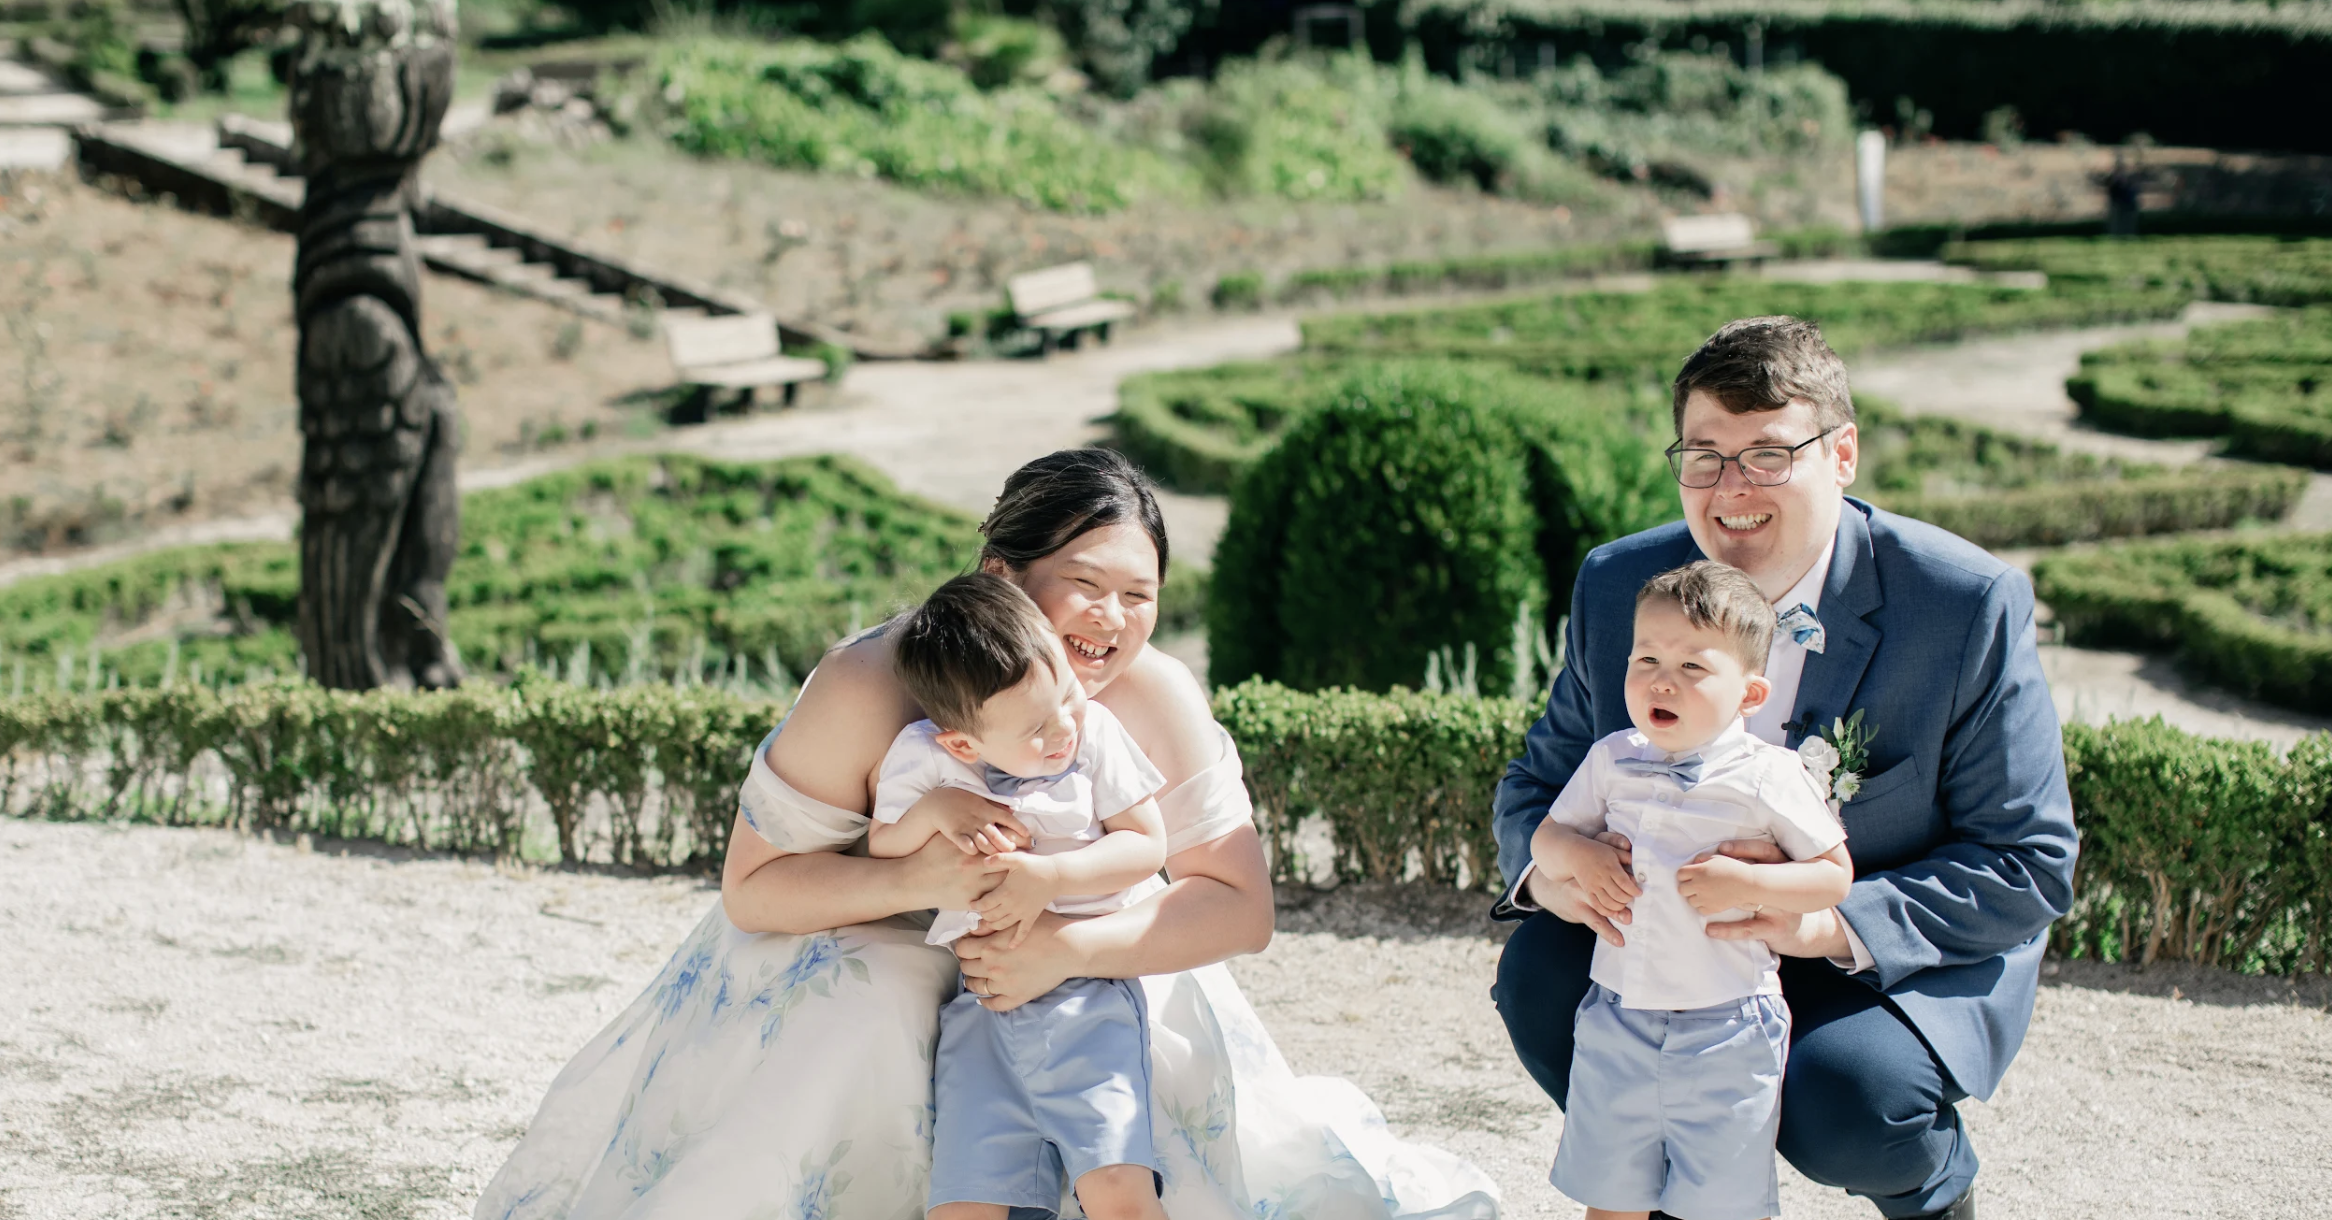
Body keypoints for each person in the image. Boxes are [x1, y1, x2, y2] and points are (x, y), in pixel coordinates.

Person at [476, 448, 1498, 1220]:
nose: (1111, 618)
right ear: (1002, 576)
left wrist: (1066, 937)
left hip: (1089, 935)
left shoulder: (1148, 695)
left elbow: (1238, 905)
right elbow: (756, 888)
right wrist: (918, 870)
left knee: (1152, 1001)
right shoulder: (869, 682)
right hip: (872, 926)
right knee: (873, 1001)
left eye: (1139, 594)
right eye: (1086, 583)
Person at [1490, 317, 2079, 1220]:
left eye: (1768, 455)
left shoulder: (1963, 604)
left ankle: (1934, 1191)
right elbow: (1536, 786)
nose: (1731, 491)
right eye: (1704, 455)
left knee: (1846, 1102)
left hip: (1868, 951)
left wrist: (1817, 923)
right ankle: (1670, 1175)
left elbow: (2028, 860)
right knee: (1540, 979)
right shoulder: (1622, 586)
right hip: (1673, 942)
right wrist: (1553, 860)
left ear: (1842, 455)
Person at [1531, 561, 1851, 1220]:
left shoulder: (1771, 775)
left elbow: (1834, 874)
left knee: (1722, 1204)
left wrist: (1751, 881)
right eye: (1645, 657)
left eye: (1693, 667)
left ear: (1751, 695)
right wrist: (1580, 855)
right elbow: (1545, 840)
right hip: (1618, 1014)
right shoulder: (1613, 757)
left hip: (1728, 1026)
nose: (1661, 679)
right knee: (1610, 1192)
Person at [868, 572, 1171, 1220]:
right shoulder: (925, 759)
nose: (1063, 726)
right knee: (966, 1203)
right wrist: (936, 808)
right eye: (1036, 726)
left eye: (1065, 692)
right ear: (961, 742)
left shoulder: (1094, 737)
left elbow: (1147, 845)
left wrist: (1053, 879)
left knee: (1118, 1191)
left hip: (1087, 994)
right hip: (982, 1002)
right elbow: (884, 850)